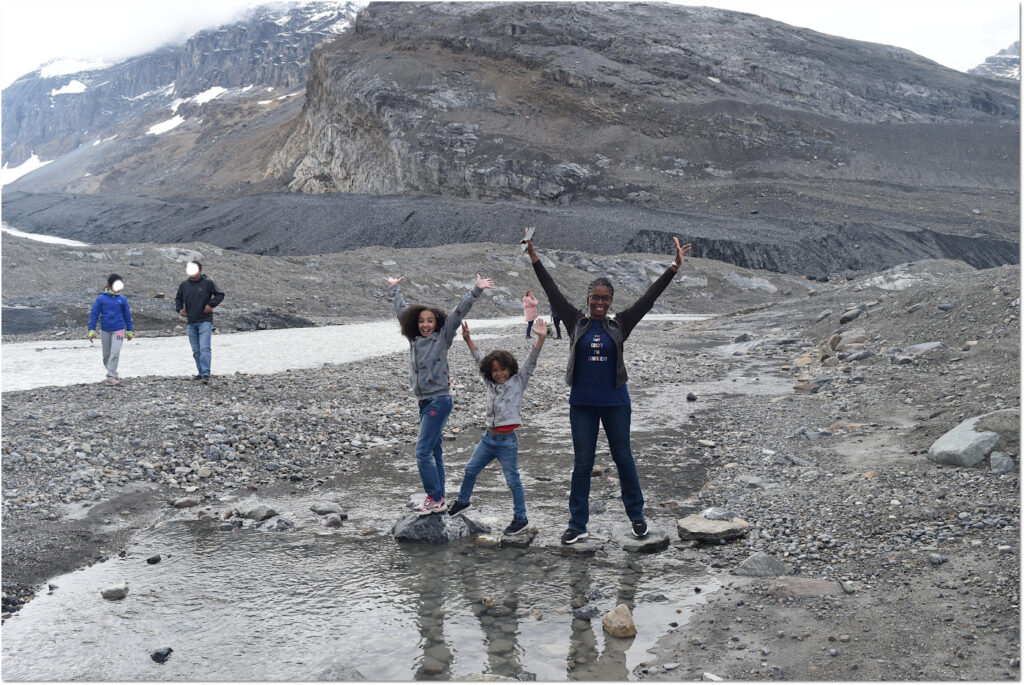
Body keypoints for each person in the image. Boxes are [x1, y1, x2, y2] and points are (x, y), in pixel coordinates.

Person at [524, 228, 691, 544]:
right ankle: (578, 524)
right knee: (582, 464)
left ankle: (637, 517)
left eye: (605, 298)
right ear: (588, 299)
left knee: (623, 458)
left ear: (611, 301)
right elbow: (551, 289)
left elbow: (648, 299)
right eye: (595, 297)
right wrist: (534, 257)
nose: (600, 302)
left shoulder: (620, 324)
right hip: (582, 404)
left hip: (616, 403)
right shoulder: (575, 322)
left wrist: (673, 267)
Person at [388, 272, 495, 515]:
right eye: (421, 321)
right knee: (434, 452)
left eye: (430, 321)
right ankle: (439, 497)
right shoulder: (414, 340)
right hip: (424, 402)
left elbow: (458, 313)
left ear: (437, 323)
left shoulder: (442, 338)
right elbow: (402, 312)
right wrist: (395, 289)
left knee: (422, 452)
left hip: (439, 400)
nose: (425, 325)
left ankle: (435, 498)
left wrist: (475, 290)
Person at [448, 317, 548, 535]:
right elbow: (479, 358)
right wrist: (468, 339)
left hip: (507, 442)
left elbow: (531, 361)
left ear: (510, 369)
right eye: (494, 371)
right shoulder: (490, 383)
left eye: (503, 370)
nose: (499, 374)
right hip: (488, 439)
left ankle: (521, 518)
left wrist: (541, 339)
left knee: (513, 481)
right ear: (489, 373)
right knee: (470, 470)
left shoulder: (519, 381)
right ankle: (463, 501)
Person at [174, 261, 225, 382]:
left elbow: (220, 294)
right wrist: (180, 309)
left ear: (200, 271)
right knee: (196, 351)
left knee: (204, 348)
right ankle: (200, 373)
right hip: (191, 321)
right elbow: (178, 298)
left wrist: (211, 305)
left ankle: (206, 374)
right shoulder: (184, 285)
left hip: (205, 320)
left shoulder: (208, 283)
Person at [88, 273, 134, 385]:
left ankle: (111, 376)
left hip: (119, 330)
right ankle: (113, 373)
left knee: (115, 353)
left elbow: (127, 316)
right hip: (105, 330)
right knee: (106, 356)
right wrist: (91, 330)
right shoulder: (101, 299)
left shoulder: (123, 300)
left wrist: (129, 330)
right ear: (110, 285)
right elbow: (94, 314)